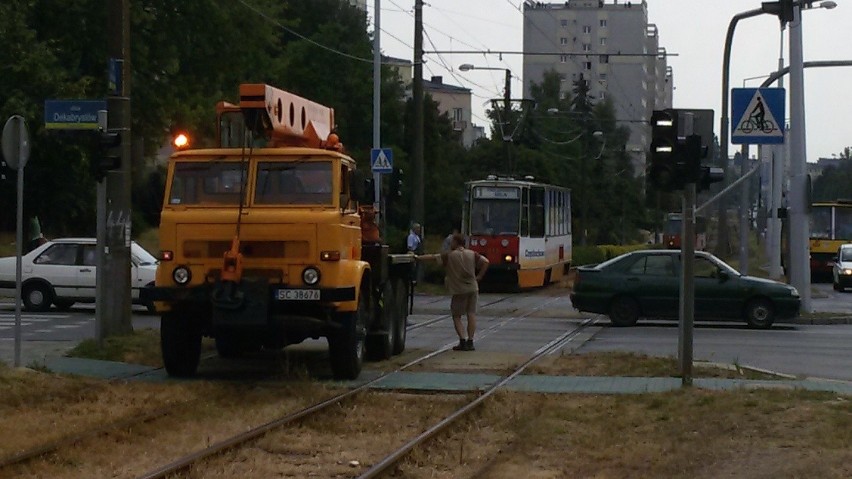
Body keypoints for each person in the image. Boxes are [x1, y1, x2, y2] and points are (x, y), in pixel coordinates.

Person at [418, 233, 489, 351]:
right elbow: (486, 262)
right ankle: (471, 341)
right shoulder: (472, 254)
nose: (450, 243)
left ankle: (462, 340)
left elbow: (433, 257)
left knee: (456, 316)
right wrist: (479, 276)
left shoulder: (450, 255)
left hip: (459, 290)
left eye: (452, 242)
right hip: (473, 287)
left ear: (456, 242)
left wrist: (417, 258)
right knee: (471, 314)